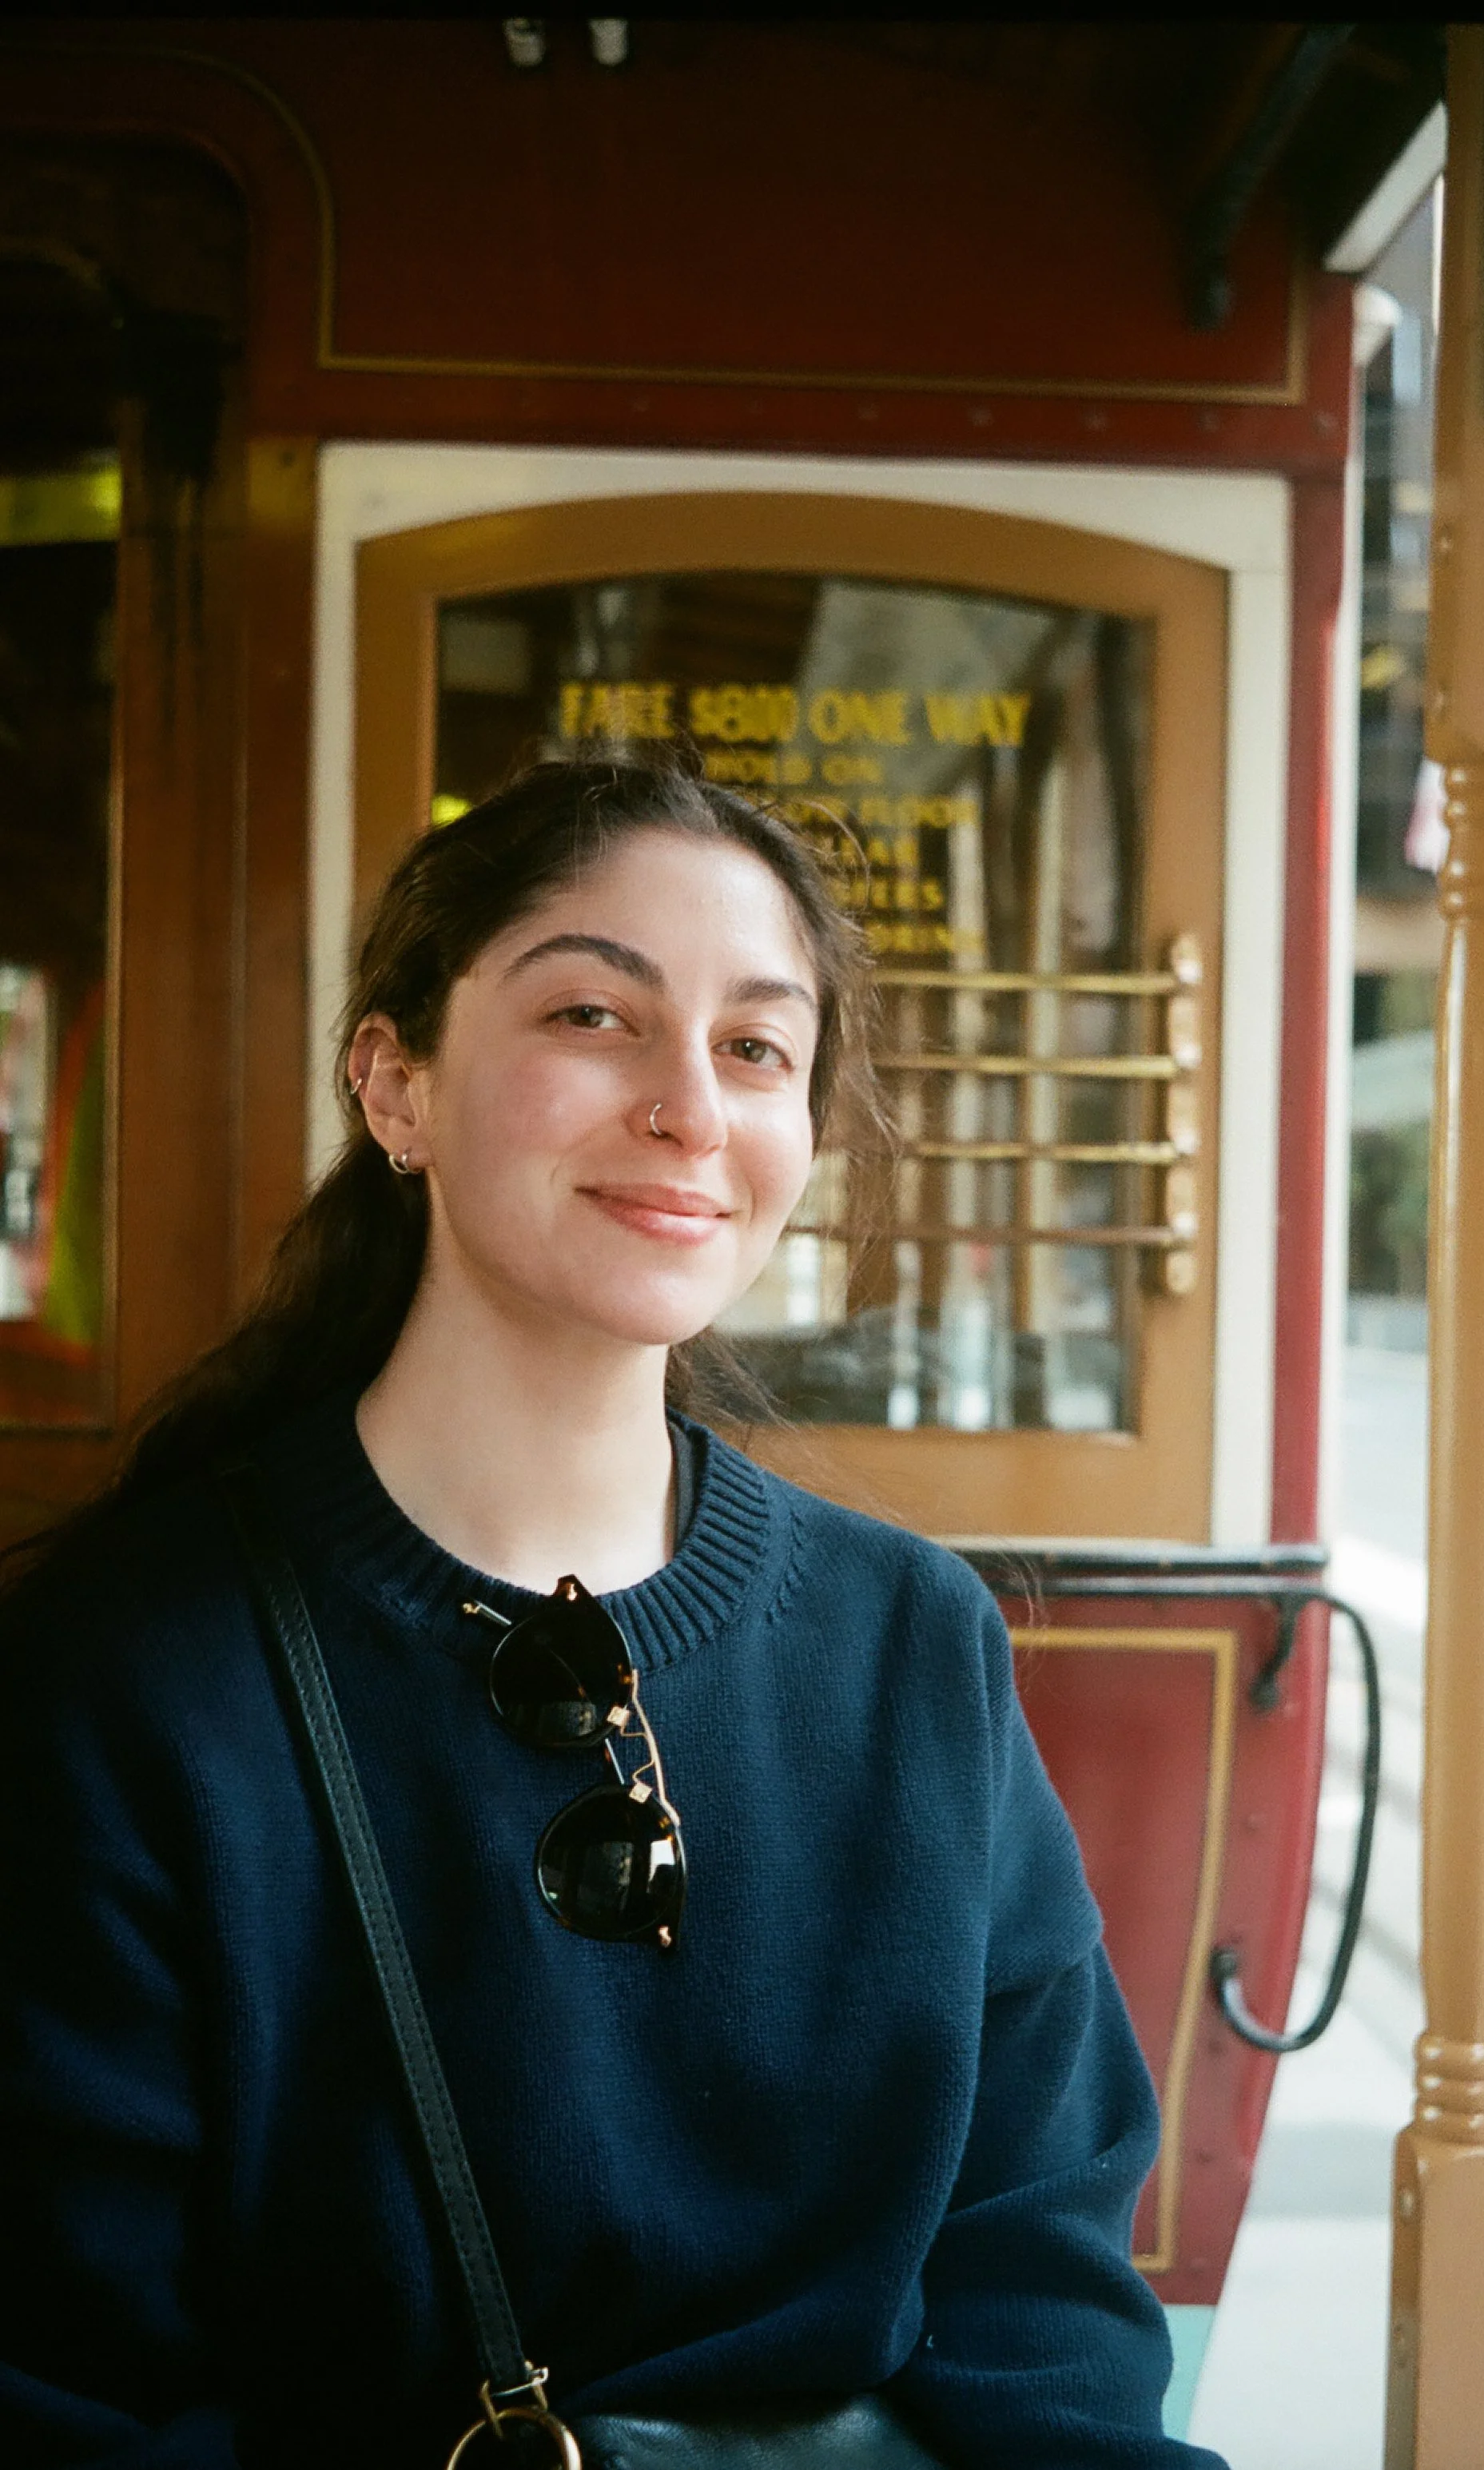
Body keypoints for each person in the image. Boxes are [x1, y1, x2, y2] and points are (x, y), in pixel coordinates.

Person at [0, 760, 1227, 2470]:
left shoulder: (912, 1648)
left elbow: (1043, 2314)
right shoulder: (135, 1674)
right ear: (396, 1083)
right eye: (595, 1012)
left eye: (755, 1048)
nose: (689, 1111)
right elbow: (65, 2376)